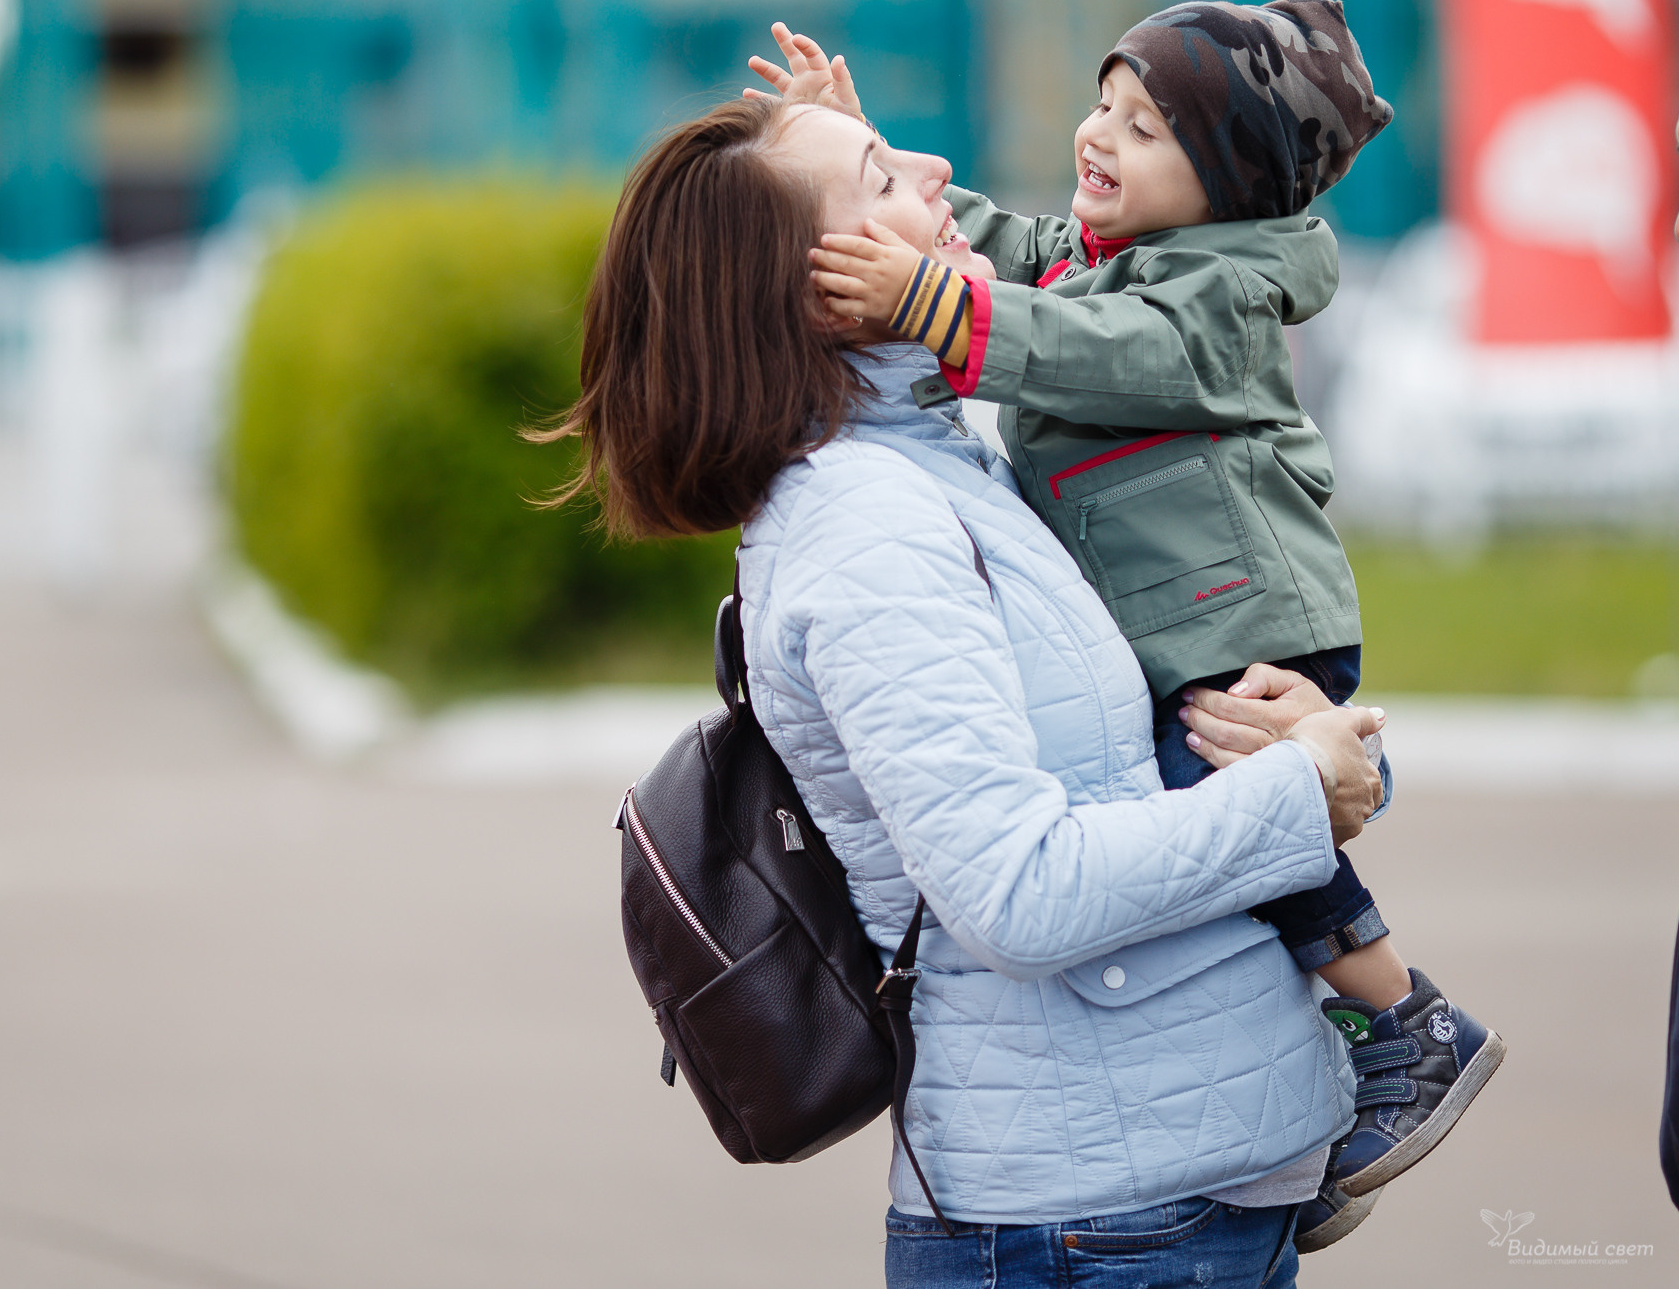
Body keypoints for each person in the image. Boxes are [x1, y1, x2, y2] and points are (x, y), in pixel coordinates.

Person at [544, 94, 1388, 1287]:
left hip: (1164, 1201)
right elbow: (1018, 893)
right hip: (1092, 1223)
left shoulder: (947, 470)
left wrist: (1313, 740)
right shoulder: (865, 529)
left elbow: (1159, 752)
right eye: (882, 176)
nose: (938, 169)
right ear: (816, 289)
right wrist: (1307, 788)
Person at [751, 5, 1504, 1229]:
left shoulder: (1205, 299)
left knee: (1204, 793)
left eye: (1144, 127)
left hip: (1239, 620)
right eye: (1104, 101)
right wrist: (853, 147)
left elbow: (1071, 340)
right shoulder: (1100, 268)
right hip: (1193, 623)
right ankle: (1341, 1049)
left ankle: (1405, 1016)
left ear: (1223, 187)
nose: (1098, 133)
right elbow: (990, 246)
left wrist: (917, 286)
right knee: (1221, 808)